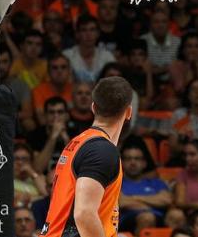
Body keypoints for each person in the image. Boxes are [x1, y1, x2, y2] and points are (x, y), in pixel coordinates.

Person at [41, 76, 133, 237]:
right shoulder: (102, 150)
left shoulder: (78, 142)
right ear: (128, 112)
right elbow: (84, 214)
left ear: (93, 107)